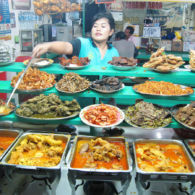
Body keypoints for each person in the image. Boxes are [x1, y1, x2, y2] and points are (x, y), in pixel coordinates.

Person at [32, 12, 119, 66]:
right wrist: (48, 46)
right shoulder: (82, 43)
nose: (98, 29)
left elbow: (118, 74)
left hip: (105, 94)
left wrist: (131, 76)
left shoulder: (114, 52)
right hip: (82, 94)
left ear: (111, 32)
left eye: (103, 26)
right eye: (95, 26)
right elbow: (66, 46)